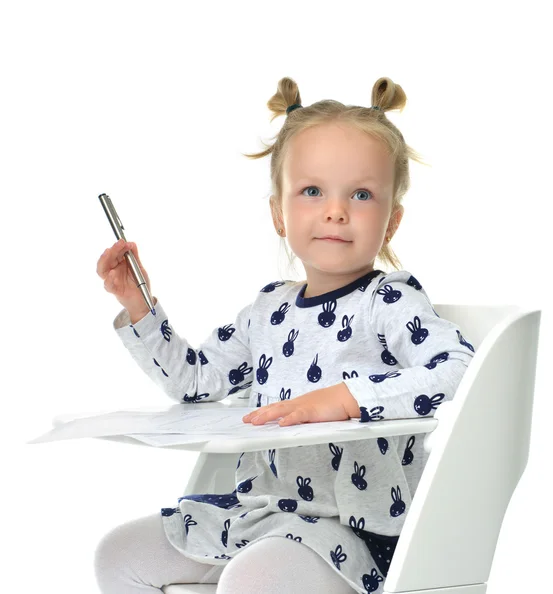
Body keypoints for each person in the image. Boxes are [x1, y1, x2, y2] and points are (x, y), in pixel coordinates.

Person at [93, 76, 476, 594]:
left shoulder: (388, 302)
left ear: (391, 223)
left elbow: (458, 370)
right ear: (279, 212)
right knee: (120, 555)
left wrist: (346, 398)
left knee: (254, 578)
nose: (335, 210)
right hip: (262, 515)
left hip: (353, 532)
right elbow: (195, 382)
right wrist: (138, 307)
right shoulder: (268, 309)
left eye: (361, 194)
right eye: (312, 191)